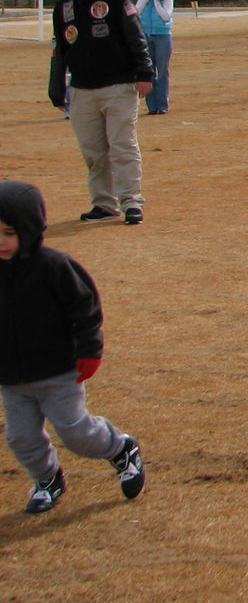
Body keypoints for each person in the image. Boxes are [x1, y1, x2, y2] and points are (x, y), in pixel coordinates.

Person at [0, 180, 146, 514]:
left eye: (9, 232)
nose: (1, 242)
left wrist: (89, 350)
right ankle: (48, 478)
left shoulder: (53, 266)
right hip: (12, 377)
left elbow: (85, 308)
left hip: (57, 370)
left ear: (29, 228)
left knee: (75, 432)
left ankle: (120, 449)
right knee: (20, 437)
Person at [48, 0, 153, 226]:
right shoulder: (63, 7)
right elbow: (60, 49)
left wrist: (144, 73)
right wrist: (57, 87)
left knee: (122, 145)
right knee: (93, 151)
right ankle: (104, 203)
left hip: (119, 85)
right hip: (82, 89)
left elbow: (136, 36)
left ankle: (131, 202)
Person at [135, 0, 174, 114]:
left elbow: (165, 16)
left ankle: (162, 105)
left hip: (163, 36)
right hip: (146, 36)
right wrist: (145, 1)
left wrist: (157, 2)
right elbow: (136, 12)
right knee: (149, 70)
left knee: (162, 71)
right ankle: (152, 106)